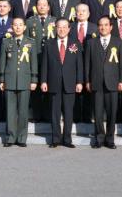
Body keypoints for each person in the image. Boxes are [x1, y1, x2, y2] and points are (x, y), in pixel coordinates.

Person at [41, 18, 83, 148]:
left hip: (70, 83)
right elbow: (44, 64)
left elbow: (79, 65)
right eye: (59, 27)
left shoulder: (75, 44)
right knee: (55, 113)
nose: (62, 29)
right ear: (55, 28)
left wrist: (80, 82)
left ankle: (67, 139)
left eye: (65, 27)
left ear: (69, 29)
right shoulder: (49, 44)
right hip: (53, 83)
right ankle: (56, 139)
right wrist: (43, 81)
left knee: (69, 113)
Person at [85, 16, 122, 149]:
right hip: (96, 82)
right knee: (97, 113)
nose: (103, 27)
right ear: (98, 27)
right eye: (101, 25)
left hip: (112, 82)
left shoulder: (118, 42)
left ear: (111, 27)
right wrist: (87, 81)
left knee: (112, 112)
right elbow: (87, 64)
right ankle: (99, 138)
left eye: (106, 25)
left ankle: (110, 139)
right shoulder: (91, 42)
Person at [0, 18, 38, 147]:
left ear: (24, 27)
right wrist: (2, 79)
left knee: (23, 111)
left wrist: (34, 80)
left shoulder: (31, 42)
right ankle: (10, 137)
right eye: (15, 25)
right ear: (12, 27)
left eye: (20, 25)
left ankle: (22, 138)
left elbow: (34, 63)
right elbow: (2, 62)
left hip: (25, 80)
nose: (17, 27)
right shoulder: (6, 42)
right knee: (10, 111)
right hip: (9, 80)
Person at [26, 0, 56, 122]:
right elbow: (26, 41)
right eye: (39, 5)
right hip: (35, 59)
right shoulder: (29, 21)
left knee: (50, 87)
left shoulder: (55, 21)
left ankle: (49, 115)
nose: (42, 7)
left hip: (51, 60)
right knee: (36, 88)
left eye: (45, 5)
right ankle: (37, 115)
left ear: (49, 7)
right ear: (36, 7)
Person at [70, 3, 98, 123]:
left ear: (89, 13)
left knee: (88, 89)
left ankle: (87, 117)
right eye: (78, 11)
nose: (80, 13)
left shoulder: (95, 27)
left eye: (83, 11)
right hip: (73, 62)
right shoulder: (70, 27)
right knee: (74, 89)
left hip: (90, 62)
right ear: (75, 14)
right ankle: (75, 116)